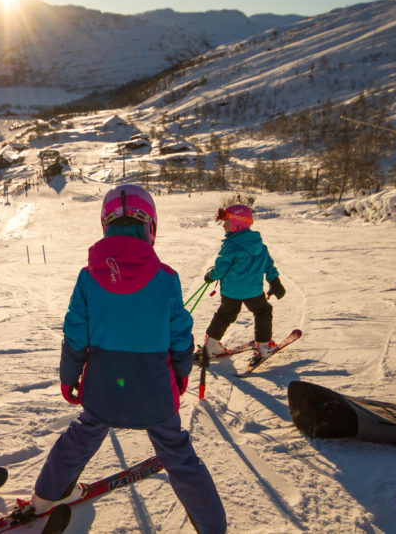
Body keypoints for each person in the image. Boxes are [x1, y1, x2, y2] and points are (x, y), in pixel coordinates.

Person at [29, 184, 227, 533]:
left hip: (103, 388)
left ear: (105, 225)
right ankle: (213, 527)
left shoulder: (88, 276)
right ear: (150, 225)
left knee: (83, 434)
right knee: (179, 456)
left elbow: (76, 332)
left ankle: (45, 498)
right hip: (154, 389)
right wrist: (181, 374)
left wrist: (69, 375)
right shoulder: (166, 278)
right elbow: (180, 334)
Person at [199, 204, 285, 367]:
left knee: (225, 315)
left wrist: (210, 276)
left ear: (238, 223)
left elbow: (220, 269)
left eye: (226, 222)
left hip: (231, 292)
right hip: (253, 291)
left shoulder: (231, 246)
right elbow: (269, 266)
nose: (223, 225)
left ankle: (210, 346)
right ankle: (264, 345)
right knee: (263, 311)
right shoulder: (260, 246)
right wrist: (275, 282)